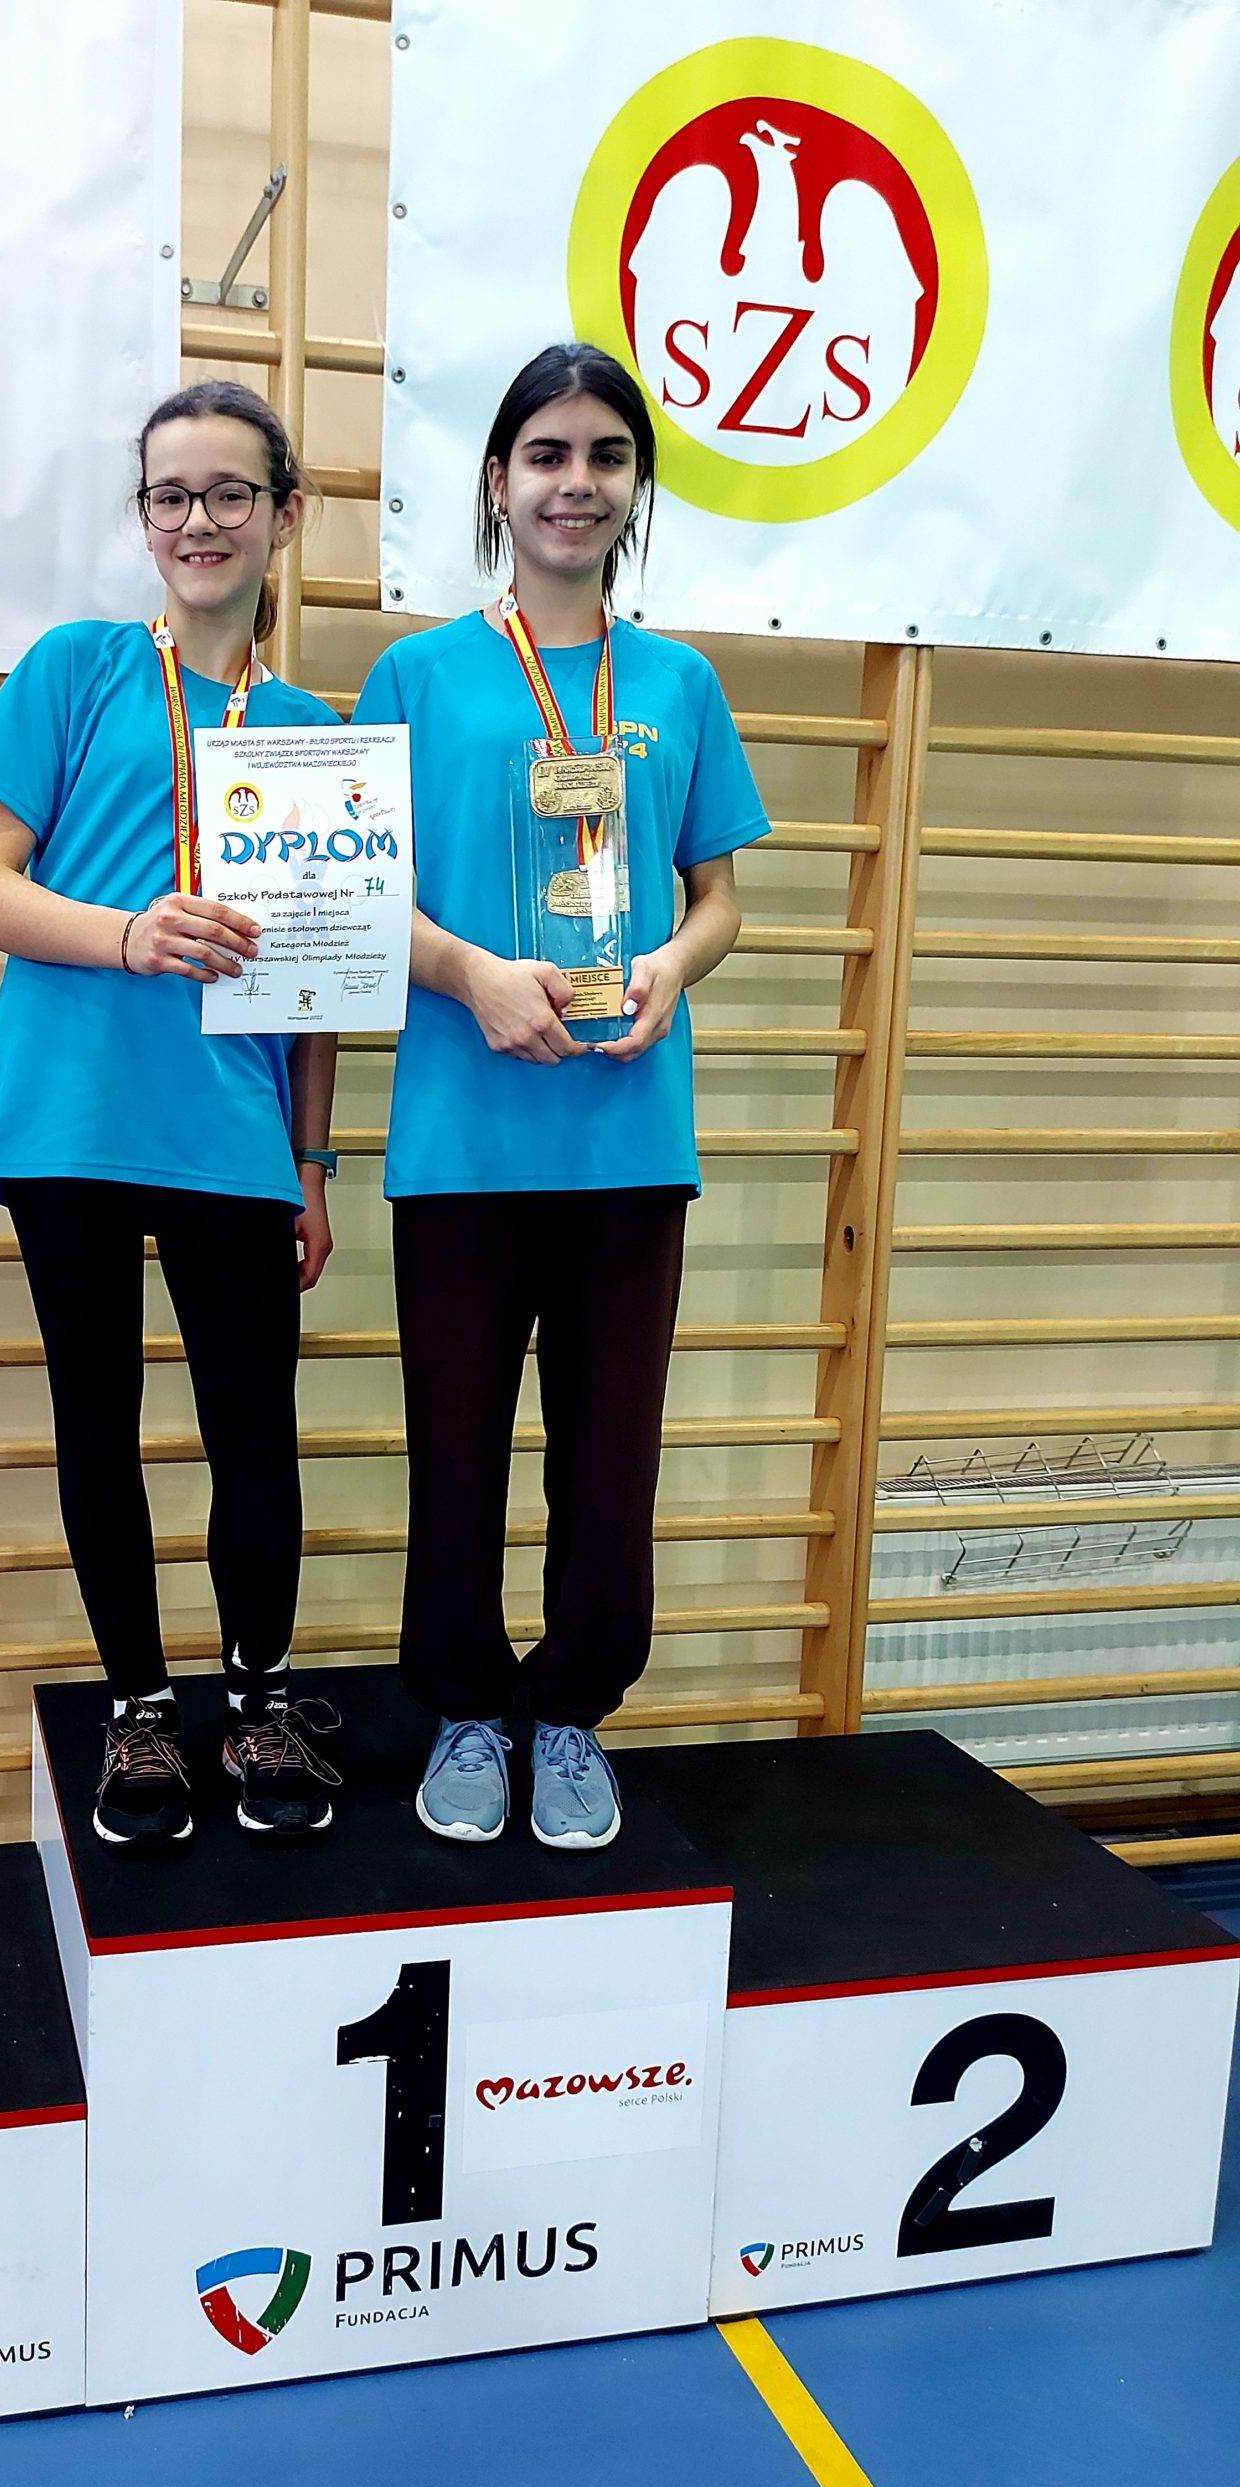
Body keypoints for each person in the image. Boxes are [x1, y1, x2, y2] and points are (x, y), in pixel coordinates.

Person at [353, 342, 766, 1850]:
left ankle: (574, 1713)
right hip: (462, 1144)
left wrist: (673, 967)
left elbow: (717, 898)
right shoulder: (416, 676)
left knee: (610, 1460)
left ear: (634, 484)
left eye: (605, 455)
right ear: (497, 480)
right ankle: (467, 1709)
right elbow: (357, 901)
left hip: (627, 1140)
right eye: (546, 454)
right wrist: (471, 975)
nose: (575, 484)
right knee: (455, 1451)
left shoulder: (679, 683)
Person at [0, 380, 345, 1852]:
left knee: (256, 1434)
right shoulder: (76, 668)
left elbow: (319, 982)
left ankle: (258, 1693)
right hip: (71, 1118)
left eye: (231, 492)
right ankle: (138, 1707)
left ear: (284, 516)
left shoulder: (313, 736)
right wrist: (129, 935)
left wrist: (313, 1160)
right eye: (170, 495)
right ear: (144, 518)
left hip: (232, 1131)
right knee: (96, 1425)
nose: (199, 520)